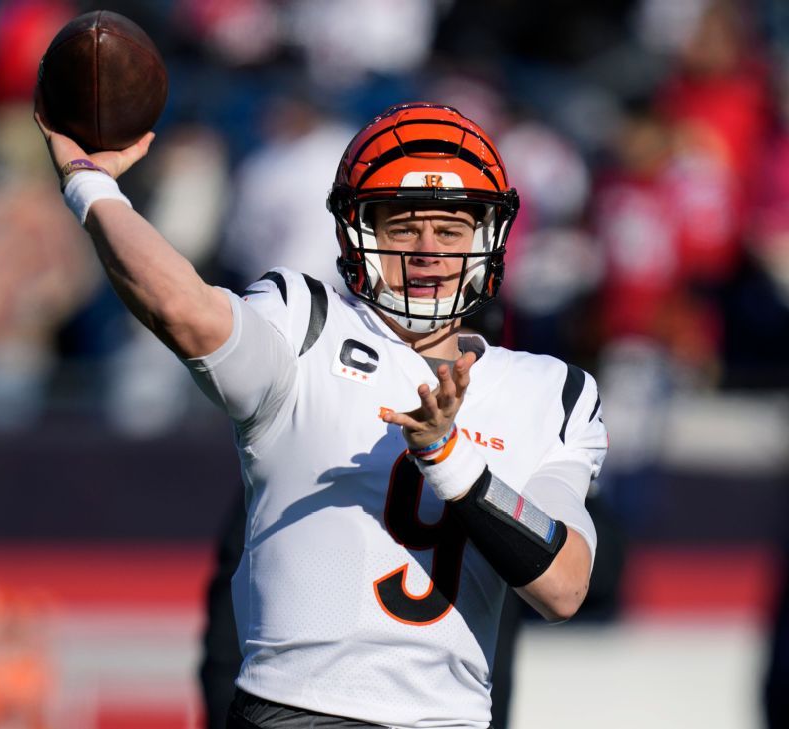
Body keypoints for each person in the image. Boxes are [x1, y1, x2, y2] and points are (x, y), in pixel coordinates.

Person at [35, 102, 606, 728]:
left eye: (449, 231)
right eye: (401, 228)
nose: (427, 251)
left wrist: (452, 460)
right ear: (356, 232)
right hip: (301, 709)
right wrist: (91, 185)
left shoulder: (550, 389)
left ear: (487, 239)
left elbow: (564, 586)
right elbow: (183, 310)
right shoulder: (304, 322)